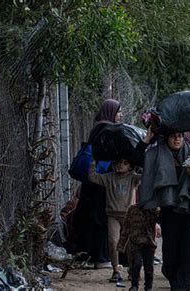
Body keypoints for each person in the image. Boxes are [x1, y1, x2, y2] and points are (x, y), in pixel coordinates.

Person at [139, 131, 190, 290]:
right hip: (170, 211)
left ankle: (181, 287)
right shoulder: (156, 155)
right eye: (173, 136)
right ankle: (177, 283)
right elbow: (136, 158)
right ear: (166, 137)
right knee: (170, 255)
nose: (177, 139)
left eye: (180, 136)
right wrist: (147, 139)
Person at [73, 99, 123, 268]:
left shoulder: (98, 126)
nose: (120, 115)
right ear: (111, 112)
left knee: (89, 217)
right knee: (101, 217)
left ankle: (87, 256)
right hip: (100, 180)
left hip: (92, 179)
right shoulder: (106, 128)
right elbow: (107, 154)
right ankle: (101, 258)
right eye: (118, 112)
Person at [88, 158, 141, 285]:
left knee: (130, 244)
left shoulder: (133, 178)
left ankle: (133, 270)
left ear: (130, 167)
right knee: (113, 242)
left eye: (125, 163)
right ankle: (116, 270)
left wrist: (143, 160)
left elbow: (146, 177)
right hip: (112, 215)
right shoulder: (109, 177)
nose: (120, 165)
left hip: (129, 216)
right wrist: (93, 161)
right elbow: (93, 177)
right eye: (119, 162)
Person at [118, 205, 160, 291]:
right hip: (135, 242)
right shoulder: (132, 209)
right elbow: (126, 226)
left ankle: (148, 287)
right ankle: (134, 285)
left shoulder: (153, 209)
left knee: (149, 267)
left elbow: (160, 219)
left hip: (149, 243)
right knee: (136, 264)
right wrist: (121, 244)